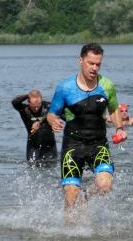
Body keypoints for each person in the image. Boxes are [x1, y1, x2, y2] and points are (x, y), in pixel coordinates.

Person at [46, 43, 127, 210]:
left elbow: (114, 109)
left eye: (98, 64)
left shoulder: (107, 85)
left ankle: (86, 197)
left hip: (98, 144)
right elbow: (51, 113)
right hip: (72, 146)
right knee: (71, 195)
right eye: (91, 63)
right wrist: (53, 121)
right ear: (81, 60)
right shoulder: (65, 88)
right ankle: (69, 223)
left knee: (105, 185)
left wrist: (119, 129)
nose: (94, 68)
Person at [12, 90, 57, 164]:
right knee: (32, 165)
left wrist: (59, 121)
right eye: (33, 107)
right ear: (28, 101)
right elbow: (15, 102)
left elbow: (65, 114)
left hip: (50, 145)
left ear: (41, 100)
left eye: (38, 106)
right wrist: (28, 95)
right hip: (33, 146)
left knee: (51, 165)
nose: (36, 109)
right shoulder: (24, 109)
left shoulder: (50, 107)